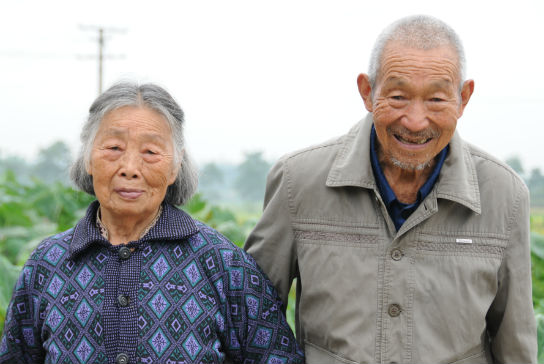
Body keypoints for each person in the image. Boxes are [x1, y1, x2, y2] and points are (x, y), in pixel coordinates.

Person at [245, 15, 537, 364]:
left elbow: (515, 344)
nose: (415, 121)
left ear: (464, 97)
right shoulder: (298, 181)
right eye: (398, 96)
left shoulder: (504, 195)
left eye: (437, 101)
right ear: (368, 92)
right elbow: (251, 319)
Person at [0, 82, 304, 364]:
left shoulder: (223, 265)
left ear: (175, 167)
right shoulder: (47, 264)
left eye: (150, 152)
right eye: (114, 148)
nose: (130, 168)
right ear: (89, 159)